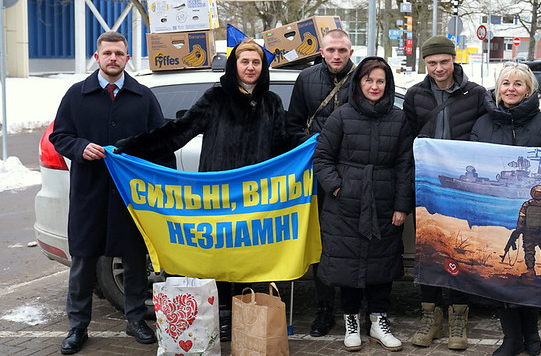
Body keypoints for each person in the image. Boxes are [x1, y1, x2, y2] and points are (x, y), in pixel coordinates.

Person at [115, 39, 289, 341]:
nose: (250, 67)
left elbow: (283, 144)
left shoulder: (271, 102)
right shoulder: (216, 97)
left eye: (256, 62)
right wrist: (133, 148)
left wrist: (314, 143)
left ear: (263, 67)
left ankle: (243, 317)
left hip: (254, 197)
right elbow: (179, 131)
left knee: (247, 257)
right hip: (216, 196)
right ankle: (219, 317)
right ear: (234, 65)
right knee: (218, 258)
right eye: (245, 61)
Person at [50, 31, 171, 354]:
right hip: (89, 194)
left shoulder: (143, 97)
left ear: (127, 58)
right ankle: (78, 326)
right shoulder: (76, 95)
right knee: (83, 262)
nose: (113, 58)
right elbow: (59, 136)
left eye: (119, 53)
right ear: (97, 57)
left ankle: (136, 320)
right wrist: (80, 147)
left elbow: (160, 142)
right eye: (108, 54)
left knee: (133, 259)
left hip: (130, 196)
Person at [313, 57, 414, 352]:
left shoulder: (398, 118)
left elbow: (405, 165)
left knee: (383, 263)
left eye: (380, 81)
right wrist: (337, 188)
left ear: (388, 84)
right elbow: (322, 157)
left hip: (384, 203)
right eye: (368, 80)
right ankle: (351, 321)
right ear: (359, 82)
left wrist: (401, 206)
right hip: (345, 205)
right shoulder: (342, 116)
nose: (374, 86)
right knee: (348, 264)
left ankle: (379, 321)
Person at [469, 62, 541, 356]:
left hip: (531, 211)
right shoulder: (482, 124)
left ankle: (532, 334)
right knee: (504, 272)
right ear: (498, 88)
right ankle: (511, 337)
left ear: (529, 90)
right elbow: (473, 159)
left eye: (518, 84)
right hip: (497, 210)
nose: (511, 89)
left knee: (530, 270)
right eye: (505, 83)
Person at [404, 35, 486, 350]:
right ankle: (431, 317)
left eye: (444, 61)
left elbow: (487, 133)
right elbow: (406, 140)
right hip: (427, 187)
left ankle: (458, 318)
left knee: (460, 250)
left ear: (454, 60)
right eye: (432, 63)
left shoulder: (475, 94)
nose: (438, 68)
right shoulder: (415, 94)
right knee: (428, 252)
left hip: (462, 189)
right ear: (425, 63)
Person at [286, 28, 356, 337]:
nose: (336, 55)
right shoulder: (306, 79)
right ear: (321, 52)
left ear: (350, 52)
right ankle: (324, 308)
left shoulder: (363, 76)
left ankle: (354, 309)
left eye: (342, 50)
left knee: (351, 240)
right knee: (322, 242)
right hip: (315, 173)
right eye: (331, 50)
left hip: (353, 172)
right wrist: (318, 147)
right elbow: (292, 126)